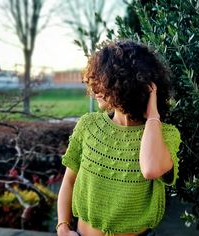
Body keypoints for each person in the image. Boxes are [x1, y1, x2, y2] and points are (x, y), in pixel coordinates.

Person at [57, 40, 181, 236]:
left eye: (102, 81)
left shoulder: (165, 134)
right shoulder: (88, 125)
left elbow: (151, 169)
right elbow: (69, 180)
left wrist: (153, 116)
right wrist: (63, 227)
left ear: (125, 83)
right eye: (93, 80)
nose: (94, 89)